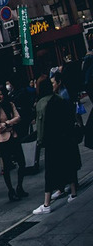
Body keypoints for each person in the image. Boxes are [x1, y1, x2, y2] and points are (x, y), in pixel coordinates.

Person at [34, 69, 80, 214]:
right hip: (65, 138)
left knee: (50, 171)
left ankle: (47, 204)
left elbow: (40, 127)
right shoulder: (60, 99)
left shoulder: (42, 103)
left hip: (51, 141)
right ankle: (73, 194)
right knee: (69, 164)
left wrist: (40, 142)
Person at [0, 88, 27, 202]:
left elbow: (18, 118)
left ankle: (19, 187)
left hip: (14, 137)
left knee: (22, 162)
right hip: (3, 141)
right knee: (6, 168)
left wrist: (6, 123)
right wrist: (10, 123)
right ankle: (11, 191)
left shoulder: (11, 105)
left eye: (1, 94)